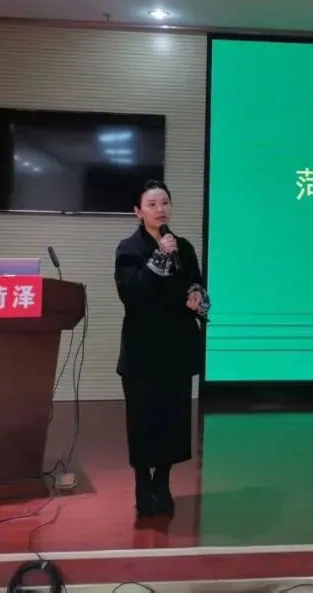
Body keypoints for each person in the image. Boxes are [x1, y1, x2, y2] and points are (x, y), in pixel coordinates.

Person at [114, 179, 210, 521]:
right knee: (143, 419)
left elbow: (196, 283)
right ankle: (142, 481)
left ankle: (163, 480)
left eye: (165, 202)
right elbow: (131, 293)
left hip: (176, 346)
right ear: (138, 212)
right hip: (143, 349)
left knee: (173, 418)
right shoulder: (129, 248)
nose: (160, 209)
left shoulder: (184, 246)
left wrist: (197, 297)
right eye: (152, 204)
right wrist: (158, 257)